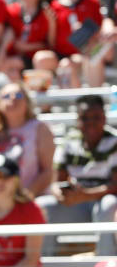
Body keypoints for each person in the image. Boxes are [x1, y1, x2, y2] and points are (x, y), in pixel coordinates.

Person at [37, 95, 117, 257]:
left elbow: (115, 186)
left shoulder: (114, 142)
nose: (91, 123)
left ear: (104, 118)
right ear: (77, 120)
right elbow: (55, 183)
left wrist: (85, 195)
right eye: (85, 118)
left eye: (96, 117)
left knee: (110, 204)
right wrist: (61, 195)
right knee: (42, 206)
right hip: (76, 204)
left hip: (101, 203)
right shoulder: (68, 142)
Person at [4, 0, 56, 64]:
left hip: (35, 59)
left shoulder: (46, 15)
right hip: (13, 56)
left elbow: (50, 45)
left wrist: (28, 47)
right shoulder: (12, 10)